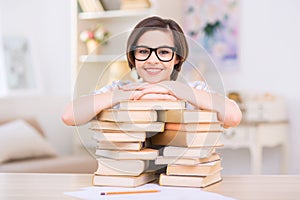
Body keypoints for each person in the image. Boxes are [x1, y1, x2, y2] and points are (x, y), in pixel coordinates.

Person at [62, 16, 242, 128]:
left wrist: (179, 90)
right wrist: (119, 96)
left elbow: (233, 117)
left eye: (163, 52)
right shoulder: (120, 89)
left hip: (182, 178)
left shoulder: (195, 89)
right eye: (143, 51)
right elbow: (69, 116)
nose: (152, 60)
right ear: (133, 56)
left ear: (177, 57)